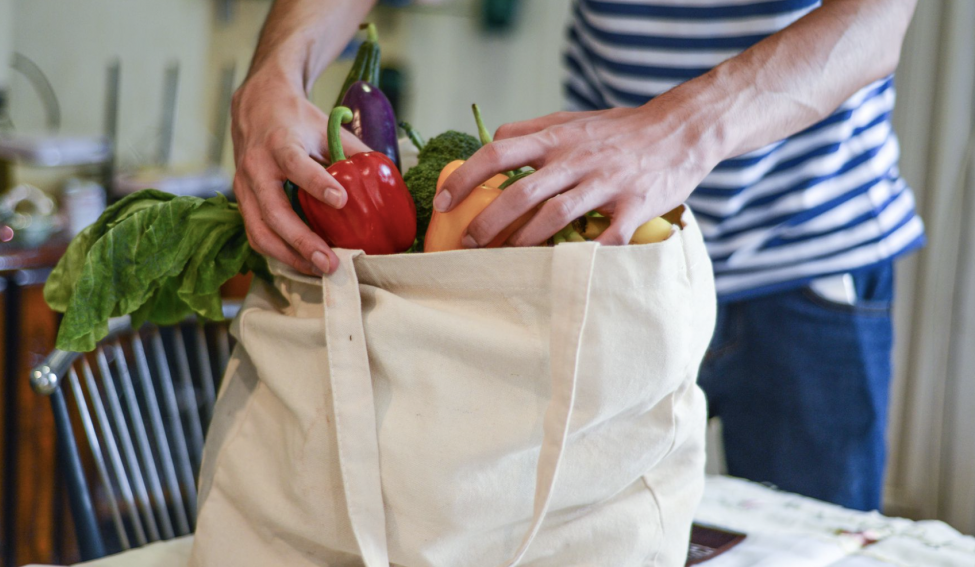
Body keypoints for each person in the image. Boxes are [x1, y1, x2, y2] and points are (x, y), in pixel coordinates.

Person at [230, 0, 921, 511]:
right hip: (601, 260)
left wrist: (678, 132)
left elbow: (875, 21)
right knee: (585, 560)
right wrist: (274, 75)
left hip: (807, 258)